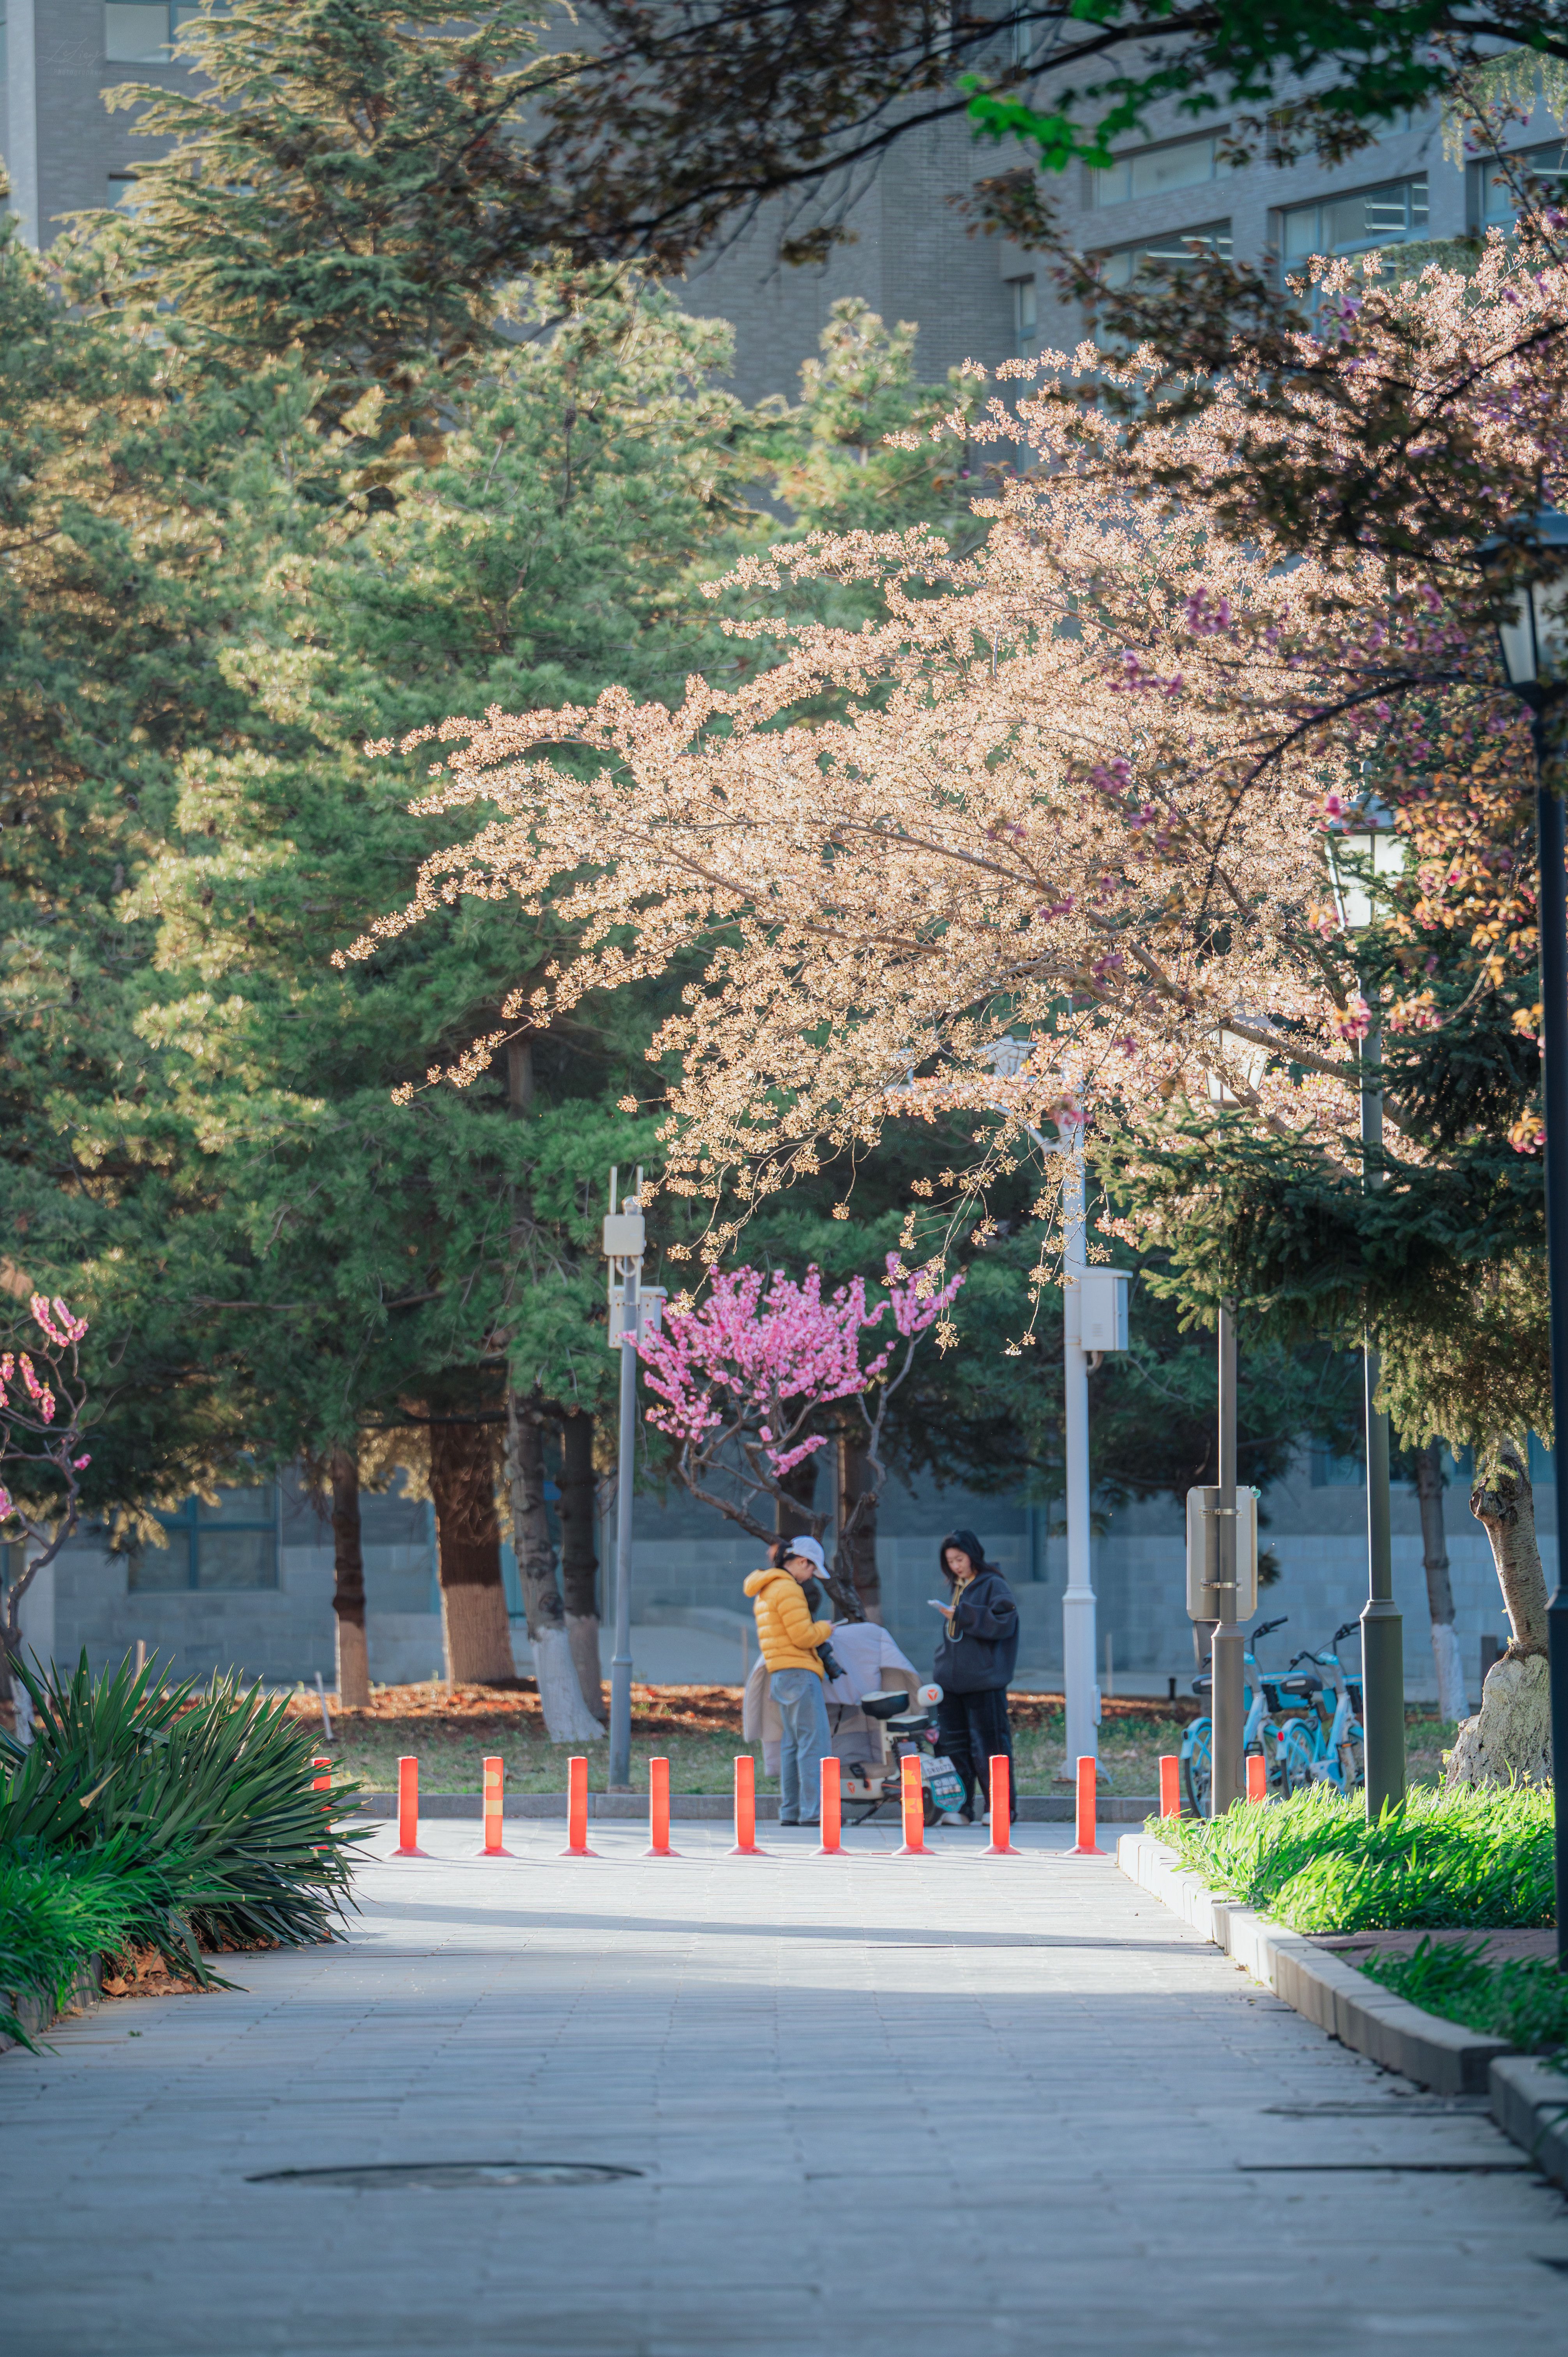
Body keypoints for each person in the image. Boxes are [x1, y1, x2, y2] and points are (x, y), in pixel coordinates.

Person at [743, 1535, 834, 1825]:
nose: (812, 1576)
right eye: (812, 1569)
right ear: (802, 1562)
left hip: (780, 1673)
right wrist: (825, 1628)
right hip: (800, 1672)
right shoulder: (789, 1589)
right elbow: (803, 1637)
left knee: (792, 1745)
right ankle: (813, 1812)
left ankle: (791, 1811)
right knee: (813, 1743)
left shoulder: (767, 1588)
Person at [932, 1528, 1019, 1823]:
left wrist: (964, 1614)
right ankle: (960, 1808)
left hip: (984, 1681)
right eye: (950, 1562)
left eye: (960, 1559)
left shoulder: (994, 1584)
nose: (956, 1566)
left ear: (973, 1555)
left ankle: (1000, 1809)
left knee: (991, 1748)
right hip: (951, 1683)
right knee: (953, 1747)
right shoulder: (958, 1586)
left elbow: (1004, 1623)